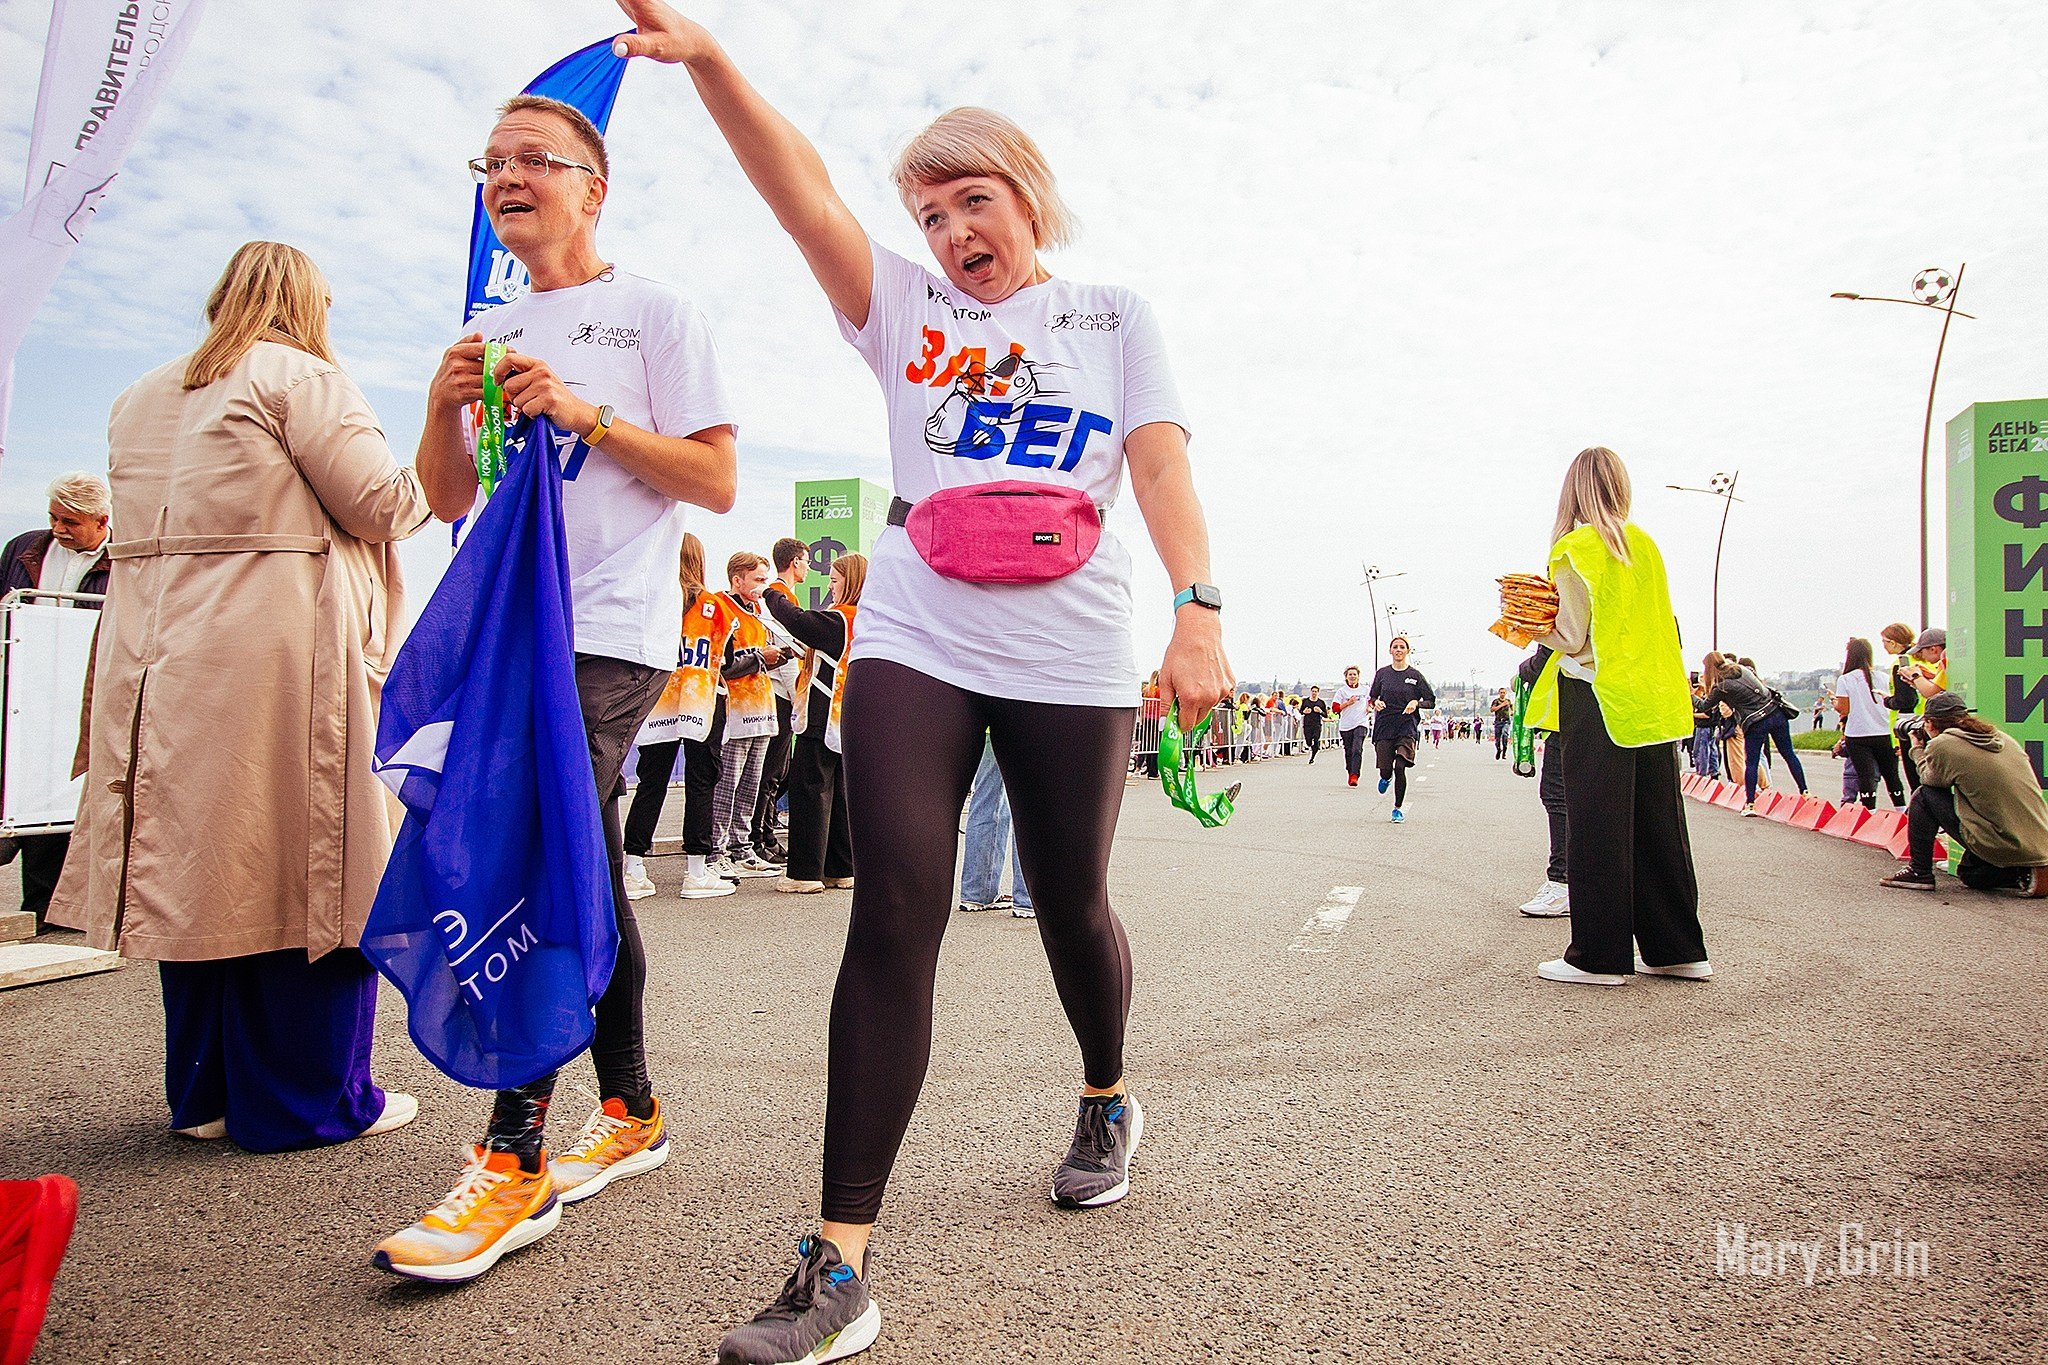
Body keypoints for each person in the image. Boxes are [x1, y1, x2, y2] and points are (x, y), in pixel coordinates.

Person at [613, 7, 1234, 1359]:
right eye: (931, 209)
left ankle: (1106, 1093)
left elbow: (1166, 466)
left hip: (1072, 641)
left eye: (974, 199)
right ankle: (838, 1260)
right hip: (918, 632)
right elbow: (795, 192)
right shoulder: (903, 306)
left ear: (1027, 197)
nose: (954, 229)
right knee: (897, 903)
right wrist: (714, 63)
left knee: (1072, 902)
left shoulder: (1112, 312)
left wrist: (1198, 609)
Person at [378, 89, 738, 1282]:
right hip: (504, 633)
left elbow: (716, 482)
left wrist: (587, 413)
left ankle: (513, 1156)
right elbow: (446, 497)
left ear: (594, 182)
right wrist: (442, 409)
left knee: (532, 855)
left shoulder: (655, 314)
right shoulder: (490, 318)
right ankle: (630, 1107)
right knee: (578, 865)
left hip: (609, 632)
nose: (506, 176)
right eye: (490, 163)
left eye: (534, 158)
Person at [47, 241, 430, 1148]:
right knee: (309, 859)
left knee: (199, 867)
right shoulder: (298, 378)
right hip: (272, 641)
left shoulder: (140, 394)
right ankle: (305, 1097)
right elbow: (383, 503)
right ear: (309, 304)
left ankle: (205, 1092)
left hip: (155, 646)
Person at [1520, 447, 1708, 986]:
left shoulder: (1575, 548)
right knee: (1659, 827)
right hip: (1650, 698)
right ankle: (1678, 949)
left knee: (1597, 827)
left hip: (1599, 698)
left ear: (1572, 491)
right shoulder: (1642, 545)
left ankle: (1599, 956)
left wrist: (1529, 622)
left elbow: (1573, 636)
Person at [2, 474, 112, 926]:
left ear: (102, 521)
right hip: (22, 687)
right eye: (53, 518)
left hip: (76, 695)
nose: (59, 529)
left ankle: (48, 908)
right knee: (21, 789)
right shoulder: (24, 549)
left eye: (70, 522)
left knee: (57, 796)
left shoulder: (120, 560)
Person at [621, 532, 732, 900]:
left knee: (651, 783)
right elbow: (727, 661)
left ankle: (633, 867)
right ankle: (696, 872)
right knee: (702, 783)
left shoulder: (655, 601)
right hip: (702, 702)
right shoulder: (714, 605)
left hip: (659, 701)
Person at [764, 552, 864, 894]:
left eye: (835, 581)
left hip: (822, 716)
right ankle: (841, 868)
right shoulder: (866, 620)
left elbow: (797, 619)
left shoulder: (839, 620)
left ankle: (804, 874)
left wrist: (772, 592)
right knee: (840, 795)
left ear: (850, 582)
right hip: (848, 717)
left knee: (810, 791)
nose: (831, 588)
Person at [1880, 693, 2048, 895]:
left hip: (1999, 839)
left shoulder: (1943, 744)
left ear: (1930, 723)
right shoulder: (2001, 737)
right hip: (2037, 839)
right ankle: (2022, 869)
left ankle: (1919, 872)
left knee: (1924, 796)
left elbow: (1929, 780)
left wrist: (1916, 749)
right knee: (1971, 874)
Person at [711, 551, 791, 878]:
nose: (763, 585)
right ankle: (717, 850)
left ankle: (742, 847)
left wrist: (780, 656)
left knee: (750, 784)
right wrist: (761, 657)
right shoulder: (721, 607)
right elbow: (723, 664)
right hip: (734, 710)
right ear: (737, 579)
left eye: (764, 578)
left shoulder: (758, 611)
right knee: (726, 783)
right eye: (758, 579)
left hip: (762, 707)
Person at [752, 536, 809, 862]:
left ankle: (765, 834)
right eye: (806, 560)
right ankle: (763, 838)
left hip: (780, 692)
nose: (809, 567)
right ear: (795, 562)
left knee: (776, 770)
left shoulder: (785, 595)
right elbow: (788, 653)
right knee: (771, 771)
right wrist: (797, 698)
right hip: (780, 693)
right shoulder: (780, 596)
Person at [1701, 651, 1807, 816]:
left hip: (1755, 723)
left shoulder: (1720, 687)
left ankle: (1750, 805)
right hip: (1776, 713)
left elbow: (1704, 706)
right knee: (1789, 754)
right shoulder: (1744, 670)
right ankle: (1804, 791)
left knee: (1751, 762)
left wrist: (1689, 695)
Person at [1515, 646, 1569, 918]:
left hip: (1572, 712)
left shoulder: (1572, 605)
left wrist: (1525, 668)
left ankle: (1563, 883)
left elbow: (1557, 645)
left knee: (1558, 797)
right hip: (1614, 710)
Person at [956, 736, 1035, 918]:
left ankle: (977, 893)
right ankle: (1029, 899)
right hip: (1027, 717)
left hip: (988, 723)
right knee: (1030, 798)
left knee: (986, 797)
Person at [1368, 636, 1433, 823]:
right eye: (1395, 647)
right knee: (1387, 769)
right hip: (1385, 724)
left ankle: (1397, 809)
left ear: (1407, 651)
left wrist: (1416, 702)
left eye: (1402, 647)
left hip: (1406, 724)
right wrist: (1376, 702)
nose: (1398, 650)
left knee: (1400, 766)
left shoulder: (1415, 676)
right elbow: (1372, 697)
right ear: (1390, 651)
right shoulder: (1382, 674)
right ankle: (1385, 777)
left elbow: (1430, 700)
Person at [1835, 637, 1905, 810]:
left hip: (1858, 735)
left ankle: (1870, 813)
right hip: (1883, 732)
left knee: (1865, 776)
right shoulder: (1883, 677)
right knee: (1892, 776)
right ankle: (1902, 811)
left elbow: (1844, 709)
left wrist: (1834, 702)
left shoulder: (1846, 679)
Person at [1878, 621, 1924, 789]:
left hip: (1909, 723)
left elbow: (1905, 700)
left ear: (1893, 642)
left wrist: (1887, 700)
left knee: (1915, 779)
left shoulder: (1901, 663)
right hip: (1928, 720)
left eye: (1884, 641)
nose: (1883, 646)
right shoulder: (1921, 659)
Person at [1330, 665, 1370, 786]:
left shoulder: (1365, 689)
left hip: (1361, 723)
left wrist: (1370, 706)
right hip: (1346, 725)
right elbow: (1335, 708)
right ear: (1346, 677)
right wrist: (1348, 703)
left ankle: (1355, 775)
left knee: (1357, 749)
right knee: (1349, 751)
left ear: (1358, 676)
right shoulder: (1342, 691)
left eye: (1354, 674)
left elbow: (1371, 700)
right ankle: (1350, 771)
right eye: (1350, 675)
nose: (1352, 677)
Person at [1299, 685, 1329, 763]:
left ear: (1318, 692)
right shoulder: (1305, 701)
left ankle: (1312, 757)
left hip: (1317, 724)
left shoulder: (1321, 702)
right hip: (1307, 724)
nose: (1314, 693)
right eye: (1313, 691)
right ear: (1311, 692)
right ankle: (1311, 745)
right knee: (1308, 741)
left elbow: (1325, 715)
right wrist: (1304, 712)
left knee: (1316, 739)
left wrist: (1320, 711)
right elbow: (1300, 711)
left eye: (1315, 691)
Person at [1491, 687, 1513, 760]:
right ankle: (1498, 750)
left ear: (1506, 693)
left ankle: (1504, 751)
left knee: (1505, 734)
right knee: (1497, 739)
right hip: (1498, 721)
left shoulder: (1508, 701)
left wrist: (1512, 712)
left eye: (1504, 692)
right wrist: (1502, 705)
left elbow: (1512, 708)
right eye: (1501, 693)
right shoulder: (1496, 701)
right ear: (1499, 693)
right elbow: (1492, 709)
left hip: (1506, 721)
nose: (1502, 694)